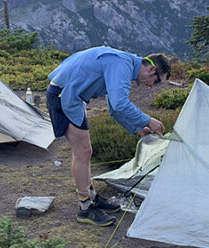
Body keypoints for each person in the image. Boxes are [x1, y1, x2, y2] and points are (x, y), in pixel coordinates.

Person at [47, 48, 171, 227]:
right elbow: (120, 104)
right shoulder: (122, 64)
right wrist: (148, 120)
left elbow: (114, 108)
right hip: (64, 95)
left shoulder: (124, 64)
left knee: (86, 151)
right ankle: (85, 209)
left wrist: (137, 128)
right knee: (82, 152)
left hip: (72, 95)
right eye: (157, 82)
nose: (152, 86)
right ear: (152, 70)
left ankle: (91, 197)